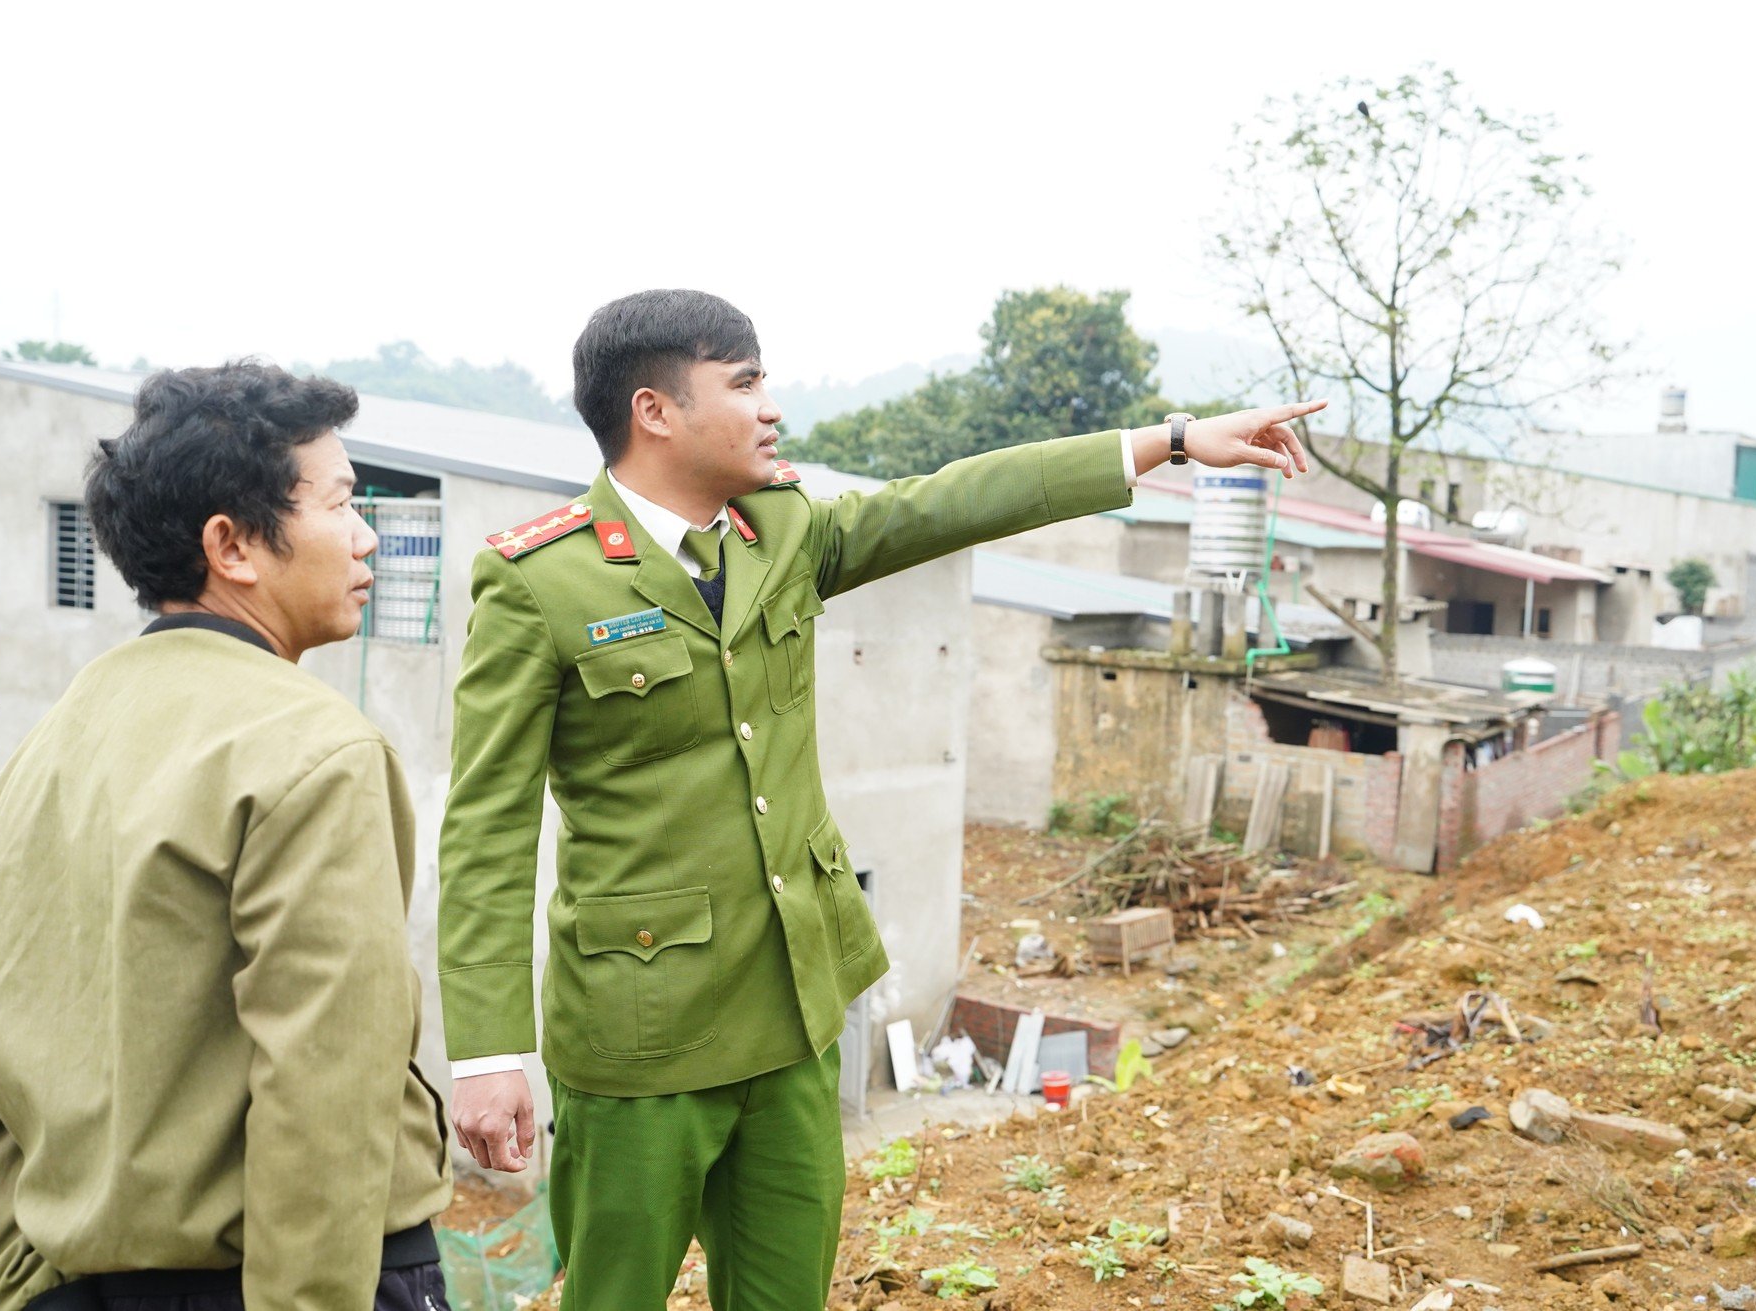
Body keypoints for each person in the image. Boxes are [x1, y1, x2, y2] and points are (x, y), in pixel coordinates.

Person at [438, 289, 1319, 1308]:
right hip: (644, 1035)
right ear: (655, 411)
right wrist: (490, 1053)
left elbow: (952, 500)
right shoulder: (542, 582)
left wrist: (1165, 441)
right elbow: (485, 831)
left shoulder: (777, 532)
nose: (773, 407)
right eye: (745, 382)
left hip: (795, 1011)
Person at [0, 362, 453, 1311]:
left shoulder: (25, 769)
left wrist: (27, 1284)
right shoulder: (312, 749)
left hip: (69, 1284)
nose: (367, 534)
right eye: (341, 503)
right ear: (234, 545)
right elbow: (325, 1093)